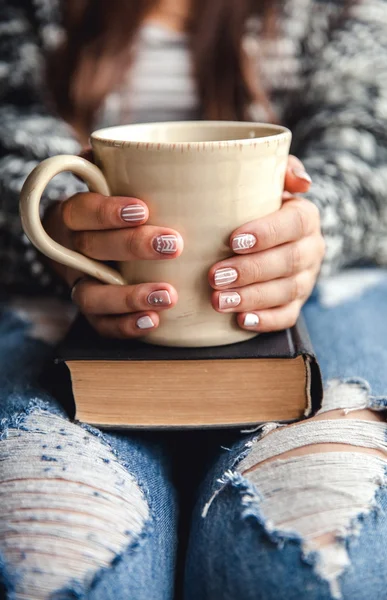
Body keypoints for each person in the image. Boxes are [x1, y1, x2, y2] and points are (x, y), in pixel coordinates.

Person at [0, 0, 387, 598]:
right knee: (57, 551)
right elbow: (10, 131)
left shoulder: (331, 11)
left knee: (309, 545)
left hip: (316, 290)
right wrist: (62, 230)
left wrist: (311, 230)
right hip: (59, 296)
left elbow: (368, 139)